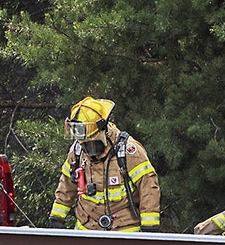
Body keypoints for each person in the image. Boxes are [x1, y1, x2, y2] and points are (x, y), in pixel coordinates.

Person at [49, 95, 160, 231]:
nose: (90, 150)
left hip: (124, 231)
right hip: (86, 229)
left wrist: (150, 227)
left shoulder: (128, 151)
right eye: (85, 145)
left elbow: (148, 188)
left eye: (93, 144)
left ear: (104, 130)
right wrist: (57, 217)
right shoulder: (77, 151)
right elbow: (66, 186)